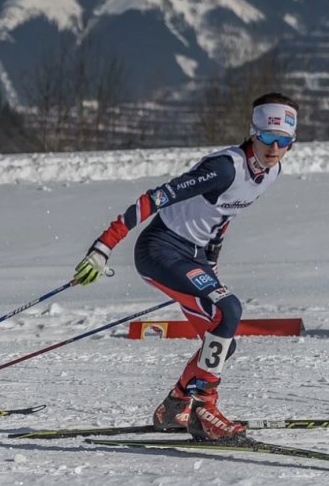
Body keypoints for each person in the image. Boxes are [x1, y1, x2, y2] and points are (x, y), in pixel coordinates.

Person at [73, 93, 298, 441]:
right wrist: (103, 248)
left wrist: (210, 267)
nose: (274, 148)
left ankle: (176, 404)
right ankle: (205, 409)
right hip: (160, 249)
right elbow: (154, 198)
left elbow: (223, 217)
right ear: (253, 133)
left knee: (222, 342)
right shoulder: (225, 168)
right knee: (230, 309)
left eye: (283, 141)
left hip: (191, 256)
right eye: (267, 138)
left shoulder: (271, 173)